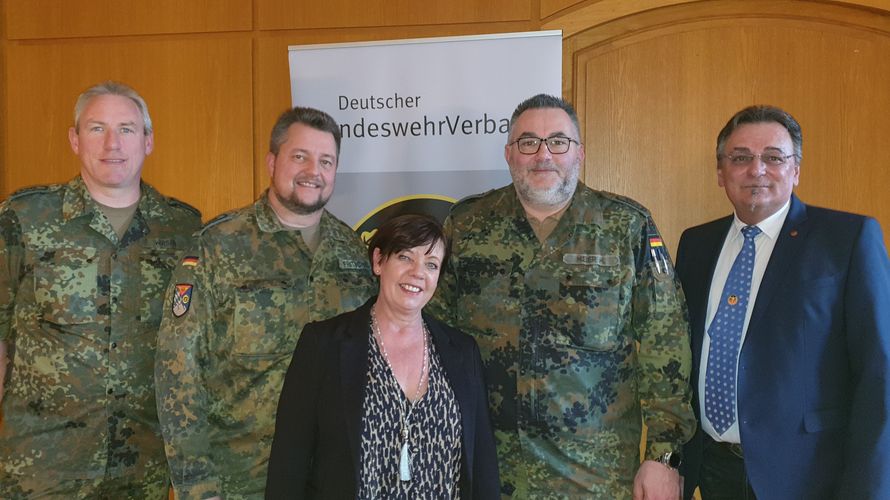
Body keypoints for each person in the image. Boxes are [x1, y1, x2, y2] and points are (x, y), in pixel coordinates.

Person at [428, 93, 696, 498]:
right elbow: (433, 335)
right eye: (528, 142)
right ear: (509, 154)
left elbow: (667, 343)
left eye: (558, 141)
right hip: (488, 467)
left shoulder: (625, 226)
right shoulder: (467, 225)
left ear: (579, 153)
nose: (543, 155)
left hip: (595, 474)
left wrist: (663, 456)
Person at [154, 106, 376, 499]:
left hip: (335, 479)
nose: (314, 170)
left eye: (326, 160)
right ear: (272, 161)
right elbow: (178, 374)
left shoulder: (354, 254)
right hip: (243, 480)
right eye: (300, 156)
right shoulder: (217, 246)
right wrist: (197, 487)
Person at [676, 105, 890, 499]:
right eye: (740, 158)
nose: (757, 170)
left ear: (796, 170)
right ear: (721, 173)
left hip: (808, 476)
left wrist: (870, 488)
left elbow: (880, 373)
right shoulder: (696, 244)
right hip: (713, 470)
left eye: (773, 157)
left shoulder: (847, 239)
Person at [0, 81, 202, 498]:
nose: (113, 143)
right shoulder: (25, 216)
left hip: (142, 460)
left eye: (127, 129)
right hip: (44, 462)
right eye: (97, 128)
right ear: (75, 139)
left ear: (148, 141)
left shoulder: (183, 227)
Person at [266, 214, 499, 499]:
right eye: (405, 257)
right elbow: (290, 460)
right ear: (379, 261)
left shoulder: (462, 351)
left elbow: (483, 465)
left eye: (431, 264)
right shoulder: (324, 344)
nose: (418, 273)